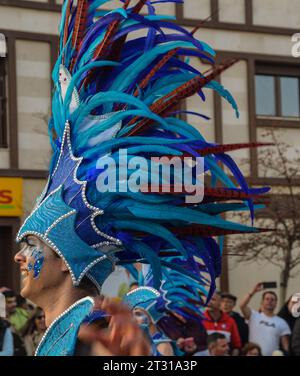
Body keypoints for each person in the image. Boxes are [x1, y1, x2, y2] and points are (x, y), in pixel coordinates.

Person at [13, 0, 268, 356]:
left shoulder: (99, 336)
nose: (18, 257)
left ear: (64, 260)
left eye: (30, 246)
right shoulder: (71, 329)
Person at [239, 283, 291, 356]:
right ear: (262, 302)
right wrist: (253, 291)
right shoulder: (253, 315)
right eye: (267, 299)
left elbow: (286, 346)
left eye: (272, 299)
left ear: (276, 303)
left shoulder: (282, 322)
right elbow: (242, 305)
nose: (270, 301)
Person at [203, 291, 241, 355]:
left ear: (220, 302)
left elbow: (236, 345)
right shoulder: (200, 319)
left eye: (213, 299)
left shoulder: (230, 321)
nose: (209, 302)